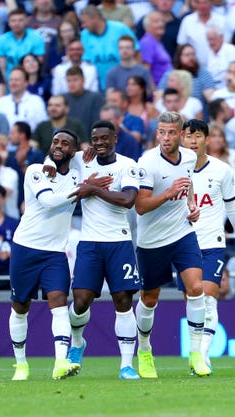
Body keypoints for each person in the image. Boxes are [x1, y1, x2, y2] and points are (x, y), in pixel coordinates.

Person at [133, 111, 211, 378]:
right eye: (161, 132)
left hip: (182, 233)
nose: (165, 138)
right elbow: (140, 206)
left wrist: (191, 206)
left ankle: (196, 354)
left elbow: (187, 187)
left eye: (171, 133)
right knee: (150, 298)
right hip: (152, 240)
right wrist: (167, 194)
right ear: (157, 133)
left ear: (181, 135)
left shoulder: (189, 157)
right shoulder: (147, 162)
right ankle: (144, 351)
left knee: (196, 288)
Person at [64, 120, 141, 380]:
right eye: (95, 139)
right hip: (89, 242)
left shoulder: (127, 165)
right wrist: (72, 152)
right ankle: (77, 343)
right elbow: (54, 158)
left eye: (104, 138)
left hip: (119, 242)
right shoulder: (81, 160)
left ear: (114, 139)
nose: (99, 143)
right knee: (81, 301)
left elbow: (128, 200)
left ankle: (127, 365)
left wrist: (92, 188)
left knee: (123, 302)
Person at [7, 129, 84, 381]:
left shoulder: (77, 172)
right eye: (55, 142)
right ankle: (21, 364)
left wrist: (87, 154)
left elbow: (93, 159)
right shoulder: (35, 171)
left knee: (59, 302)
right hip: (25, 247)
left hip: (54, 252)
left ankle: (60, 362)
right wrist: (82, 190)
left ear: (73, 151)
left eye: (65, 143)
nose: (58, 146)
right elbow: (49, 202)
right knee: (20, 307)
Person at [178, 118, 235, 369]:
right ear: (181, 139)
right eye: (188, 136)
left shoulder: (221, 170)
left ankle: (202, 354)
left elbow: (232, 206)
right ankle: (196, 350)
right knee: (192, 302)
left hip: (212, 242)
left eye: (198, 136)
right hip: (182, 245)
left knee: (208, 299)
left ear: (207, 140)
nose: (193, 141)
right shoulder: (173, 169)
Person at [79, 5, 139, 91]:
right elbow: (85, 61)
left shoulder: (120, 29)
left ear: (94, 18)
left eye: (84, 22)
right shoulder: (84, 35)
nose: (82, 26)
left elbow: (137, 52)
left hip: (124, 84)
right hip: (97, 87)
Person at [0, 66, 48, 132]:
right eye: (11, 80)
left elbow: (43, 127)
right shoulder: (1, 102)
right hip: (5, 141)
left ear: (26, 83)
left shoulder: (36, 101)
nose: (13, 83)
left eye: (17, 80)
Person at [0, 8, 45, 79]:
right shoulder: (2, 39)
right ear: (9, 23)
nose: (17, 23)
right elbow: (1, 68)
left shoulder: (36, 37)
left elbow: (38, 64)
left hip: (30, 80)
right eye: (13, 21)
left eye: (20, 20)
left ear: (26, 21)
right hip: (10, 80)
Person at [176, 0, 226, 69]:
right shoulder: (187, 21)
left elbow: (227, 43)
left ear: (211, 3)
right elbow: (181, 46)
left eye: (205, 2)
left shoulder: (222, 20)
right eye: (198, 3)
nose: (202, 6)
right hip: (194, 69)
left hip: (218, 68)